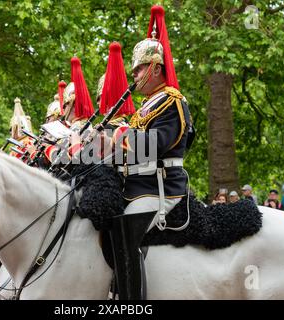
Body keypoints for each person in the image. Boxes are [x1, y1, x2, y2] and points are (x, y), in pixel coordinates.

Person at [103, 5, 194, 300]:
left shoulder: (172, 101)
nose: (135, 74)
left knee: (125, 232)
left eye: (139, 68)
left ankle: (133, 302)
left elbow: (157, 143)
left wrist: (119, 137)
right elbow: (123, 149)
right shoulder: (146, 107)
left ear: (156, 68)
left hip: (161, 186)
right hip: (136, 185)